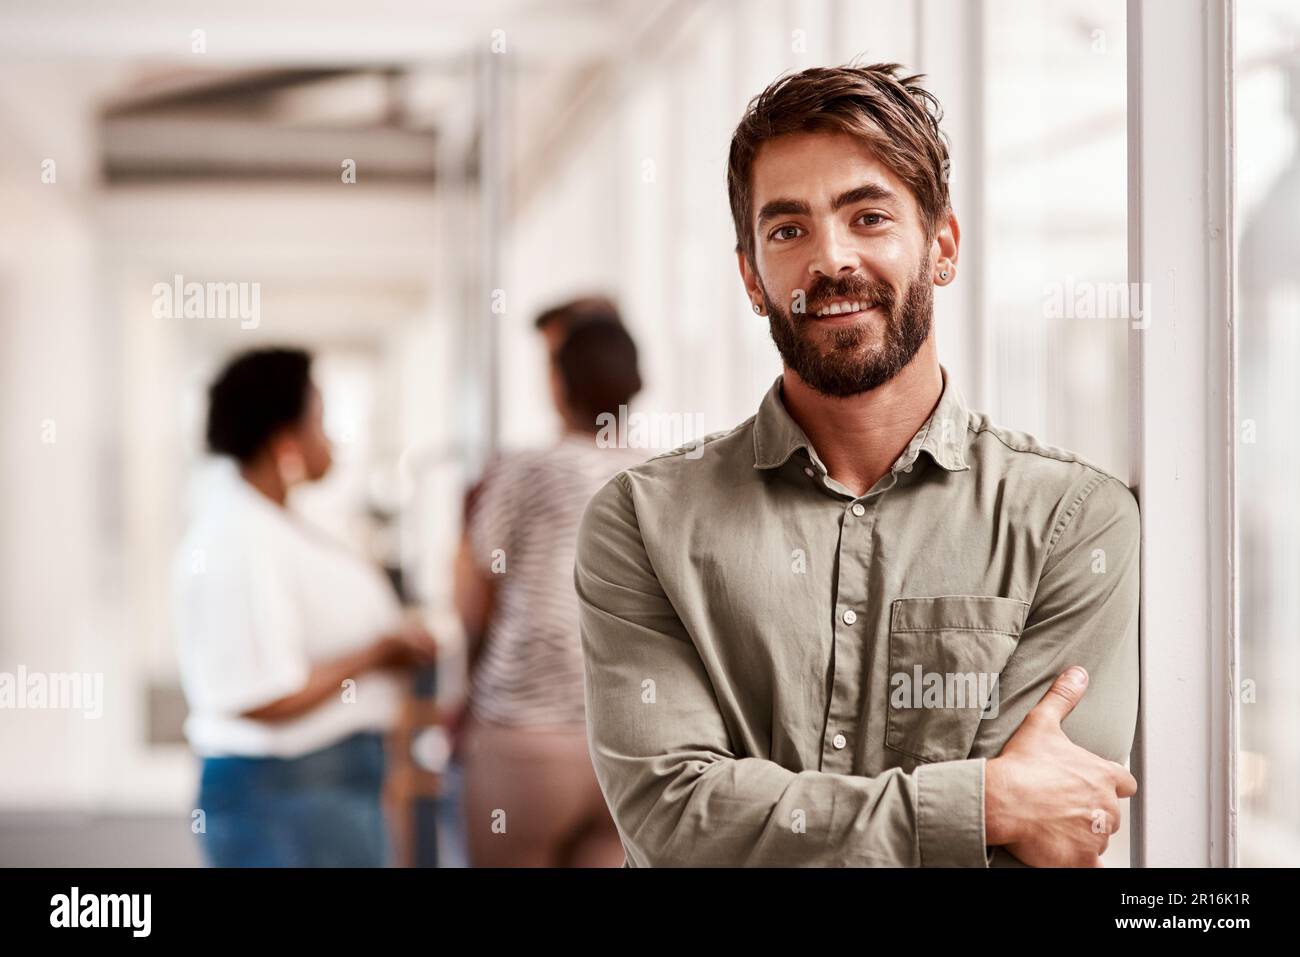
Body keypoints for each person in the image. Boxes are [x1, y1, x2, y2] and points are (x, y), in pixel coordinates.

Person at [575, 62, 1140, 868]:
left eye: (868, 216)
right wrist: (977, 803)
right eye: (787, 229)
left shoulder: (1072, 520)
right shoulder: (642, 520)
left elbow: (1051, 836)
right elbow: (673, 818)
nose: (830, 260)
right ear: (751, 276)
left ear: (941, 245)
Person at [174, 347, 437, 867]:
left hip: (324, 789)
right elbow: (257, 693)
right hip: (288, 794)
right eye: (319, 420)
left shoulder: (275, 523)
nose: (331, 438)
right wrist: (377, 654)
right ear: (285, 441)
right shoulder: (237, 540)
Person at [451, 303, 646, 867]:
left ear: (557, 385)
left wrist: (465, 689)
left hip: (524, 736)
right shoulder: (664, 472)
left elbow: (474, 595)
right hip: (626, 744)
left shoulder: (522, 470)